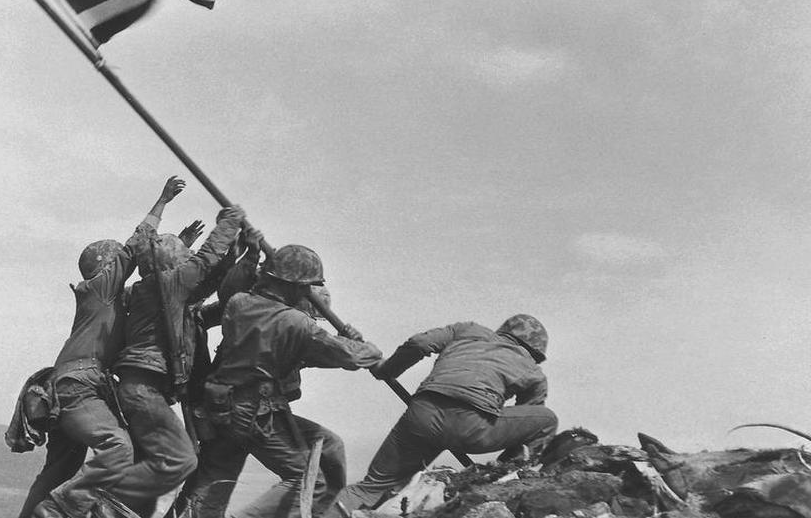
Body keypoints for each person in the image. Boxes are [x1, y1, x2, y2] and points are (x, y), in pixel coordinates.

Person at [172, 245, 383, 518]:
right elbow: (347, 356)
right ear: (295, 286)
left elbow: (296, 351)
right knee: (310, 480)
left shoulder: (240, 304)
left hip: (222, 407)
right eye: (306, 286)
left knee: (215, 480)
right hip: (255, 413)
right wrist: (367, 348)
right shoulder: (295, 323)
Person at [20, 176, 186, 518]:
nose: (124, 263)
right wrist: (162, 201)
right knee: (118, 447)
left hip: (69, 387)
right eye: (117, 261)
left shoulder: (107, 299)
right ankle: (62, 511)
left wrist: (178, 247)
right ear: (105, 265)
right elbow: (135, 245)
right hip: (80, 386)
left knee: (60, 469)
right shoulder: (99, 288)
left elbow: (152, 283)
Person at [328, 314, 558, 516]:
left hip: (422, 415)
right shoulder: (533, 372)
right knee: (547, 420)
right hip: (472, 427)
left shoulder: (468, 330)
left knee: (371, 487)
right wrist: (505, 465)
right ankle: (503, 479)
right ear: (535, 351)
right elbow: (525, 422)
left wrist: (386, 370)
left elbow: (420, 343)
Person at [105, 204, 249, 517]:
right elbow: (206, 258)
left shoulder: (156, 291)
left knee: (155, 463)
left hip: (142, 388)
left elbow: (207, 284)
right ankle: (103, 499)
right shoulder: (168, 285)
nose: (188, 259)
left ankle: (116, 504)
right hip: (145, 388)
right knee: (183, 459)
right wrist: (229, 222)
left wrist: (236, 256)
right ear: (170, 263)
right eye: (183, 255)